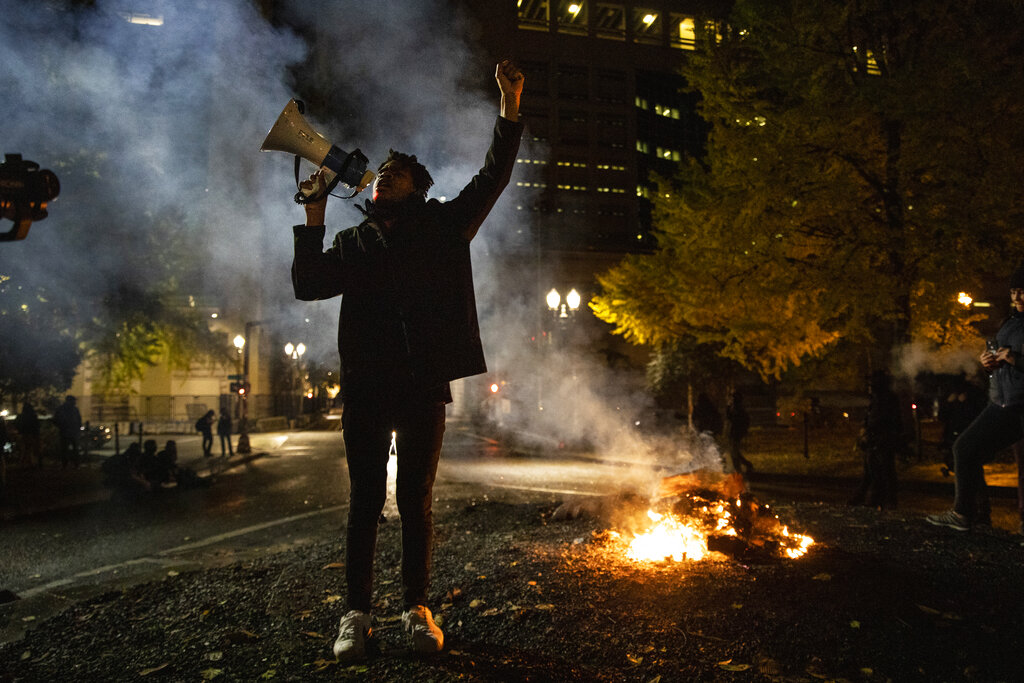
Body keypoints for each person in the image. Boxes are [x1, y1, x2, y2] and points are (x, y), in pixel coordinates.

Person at [290, 60, 523, 662]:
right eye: (380, 175)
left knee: (416, 500)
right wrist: (313, 217)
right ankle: (355, 615)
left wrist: (510, 103)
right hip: (366, 386)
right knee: (365, 502)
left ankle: (416, 608)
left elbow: (494, 174)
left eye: (393, 174)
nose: (380, 179)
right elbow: (309, 285)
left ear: (416, 188)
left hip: (423, 385)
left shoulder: (445, 224)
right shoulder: (353, 241)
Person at [927, 261, 1024, 532]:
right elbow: (1001, 360)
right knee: (965, 449)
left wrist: (1016, 359)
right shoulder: (1009, 324)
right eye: (1014, 290)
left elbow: (1016, 360)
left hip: (1019, 404)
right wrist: (988, 362)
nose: (1017, 296)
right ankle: (967, 514)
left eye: (1023, 291)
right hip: (1003, 402)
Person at [850, 370, 902, 510]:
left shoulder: (885, 398)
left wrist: (871, 431)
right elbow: (870, 418)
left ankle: (882, 500)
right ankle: (867, 499)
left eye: (871, 383)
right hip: (876, 440)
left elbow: (883, 419)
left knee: (884, 471)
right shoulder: (877, 398)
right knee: (872, 471)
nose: (869, 385)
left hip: (882, 440)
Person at [724, 391, 754, 474]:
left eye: (733, 398)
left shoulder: (739, 409)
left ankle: (740, 468)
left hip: (736, 433)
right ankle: (739, 468)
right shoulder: (736, 408)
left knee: (734, 452)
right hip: (735, 433)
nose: (732, 399)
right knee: (734, 452)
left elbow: (733, 419)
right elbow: (730, 417)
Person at [52, 395, 82, 468]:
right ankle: (73, 464)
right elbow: (78, 420)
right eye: (73, 400)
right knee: (71, 449)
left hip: (67, 431)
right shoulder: (73, 409)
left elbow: (55, 420)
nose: (75, 402)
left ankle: (67, 464)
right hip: (69, 432)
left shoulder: (63, 409)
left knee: (66, 449)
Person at [14, 402, 42, 467]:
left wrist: (19, 431)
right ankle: (34, 463)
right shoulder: (33, 416)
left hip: (24, 435)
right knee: (33, 449)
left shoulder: (20, 417)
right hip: (33, 435)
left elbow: (16, 424)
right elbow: (37, 426)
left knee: (25, 449)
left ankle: (25, 463)